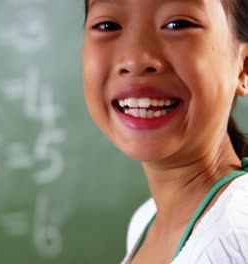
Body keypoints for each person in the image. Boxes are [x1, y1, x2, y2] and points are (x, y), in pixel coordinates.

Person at [82, 0, 248, 263]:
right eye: (107, 25)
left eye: (178, 24)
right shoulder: (145, 221)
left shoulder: (232, 242)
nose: (135, 60)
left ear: (244, 66)